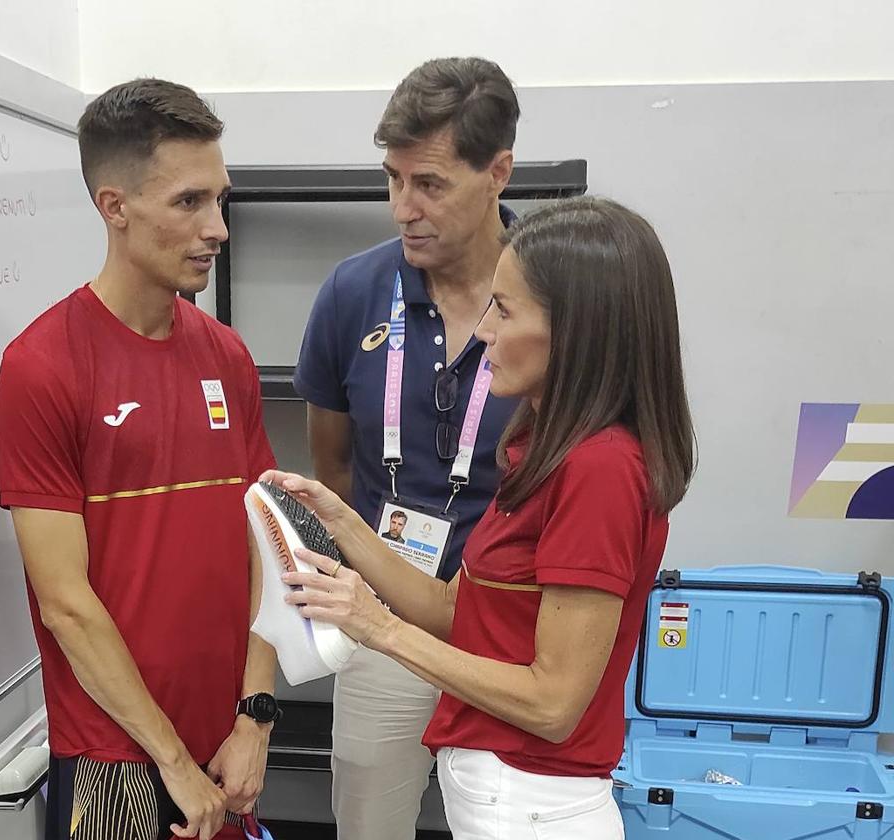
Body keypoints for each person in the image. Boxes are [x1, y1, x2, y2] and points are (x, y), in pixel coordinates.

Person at [273, 197, 696, 839]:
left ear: (576, 328)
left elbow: (552, 704)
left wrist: (378, 628)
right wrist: (346, 526)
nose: (484, 331)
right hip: (500, 793)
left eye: (505, 308)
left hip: (530, 804)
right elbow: (454, 612)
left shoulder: (600, 469)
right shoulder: (543, 445)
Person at [0, 79, 280, 840]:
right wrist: (172, 762)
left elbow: (264, 545)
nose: (216, 227)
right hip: (116, 758)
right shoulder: (43, 366)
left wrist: (256, 715)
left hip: (226, 744)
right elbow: (65, 604)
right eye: (188, 203)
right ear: (114, 206)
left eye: (220, 200)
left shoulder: (228, 355)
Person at [293, 57, 521, 838]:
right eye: (392, 180)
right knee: (369, 819)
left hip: (512, 630)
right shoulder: (353, 292)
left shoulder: (557, 297)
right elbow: (332, 461)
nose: (403, 208)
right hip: (386, 613)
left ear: (498, 173)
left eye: (429, 184)